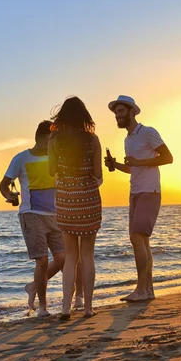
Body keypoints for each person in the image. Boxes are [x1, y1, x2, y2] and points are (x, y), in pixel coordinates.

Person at [105, 95, 173, 302]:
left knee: (137, 238)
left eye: (121, 111)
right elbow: (133, 167)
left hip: (149, 191)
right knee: (142, 240)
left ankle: (141, 290)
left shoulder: (148, 132)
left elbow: (168, 158)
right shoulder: (128, 139)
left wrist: (139, 161)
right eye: (116, 112)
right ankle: (148, 290)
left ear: (132, 111)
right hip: (135, 191)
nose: (118, 115)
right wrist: (115, 165)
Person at [0, 121, 66, 317]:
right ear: (43, 138)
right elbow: (5, 184)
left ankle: (33, 286)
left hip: (56, 214)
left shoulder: (56, 158)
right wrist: (8, 195)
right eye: (52, 140)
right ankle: (43, 307)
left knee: (62, 258)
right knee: (42, 261)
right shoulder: (21, 158)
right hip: (31, 214)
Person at [49, 96, 102, 319]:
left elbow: (52, 170)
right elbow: (98, 174)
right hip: (88, 197)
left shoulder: (54, 139)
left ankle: (65, 308)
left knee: (70, 256)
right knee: (87, 255)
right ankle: (88, 308)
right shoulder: (93, 140)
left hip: (66, 197)